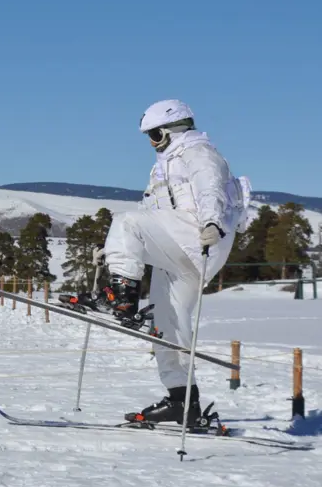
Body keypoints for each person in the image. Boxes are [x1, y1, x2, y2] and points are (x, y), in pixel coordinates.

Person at [94, 99, 250, 424]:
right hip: (180, 252)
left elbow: (212, 190)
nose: (150, 143)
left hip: (197, 237)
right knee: (168, 327)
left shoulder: (199, 153)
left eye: (152, 135)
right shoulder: (163, 167)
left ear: (167, 131)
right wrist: (115, 249)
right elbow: (151, 212)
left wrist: (212, 223)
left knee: (127, 222)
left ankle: (123, 297)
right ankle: (183, 402)